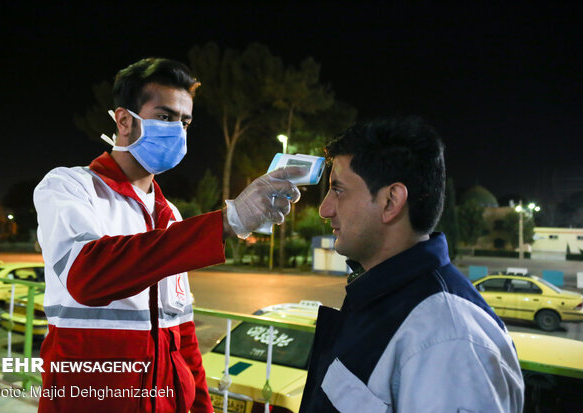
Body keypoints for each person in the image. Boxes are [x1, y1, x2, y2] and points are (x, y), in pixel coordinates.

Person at [34, 57, 303, 413]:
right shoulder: (70, 186)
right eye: (165, 117)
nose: (178, 130)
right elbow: (87, 275)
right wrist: (227, 221)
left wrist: (202, 407)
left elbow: (183, 332)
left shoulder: (170, 216)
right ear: (124, 121)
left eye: (185, 121)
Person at [299, 117, 524, 412]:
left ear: (391, 201)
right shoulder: (383, 298)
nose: (325, 209)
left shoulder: (448, 340)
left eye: (338, 190)